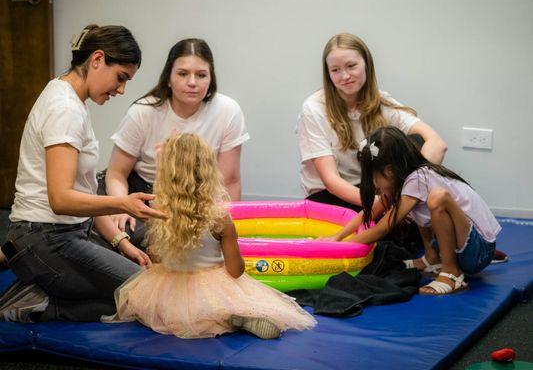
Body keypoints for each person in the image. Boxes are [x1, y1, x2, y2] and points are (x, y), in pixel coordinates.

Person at [0, 25, 167, 323]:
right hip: (46, 239)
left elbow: (85, 193)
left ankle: (33, 275)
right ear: (97, 60)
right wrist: (122, 203)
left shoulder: (69, 98)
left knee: (139, 284)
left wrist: (121, 242)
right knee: (148, 295)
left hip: (58, 235)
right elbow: (61, 200)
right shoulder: (64, 108)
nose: (121, 90)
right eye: (121, 78)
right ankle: (41, 304)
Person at [103, 133, 316, 339]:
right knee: (225, 302)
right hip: (212, 286)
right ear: (208, 171)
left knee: (153, 308)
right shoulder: (219, 218)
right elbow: (235, 271)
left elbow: (157, 257)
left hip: (168, 289)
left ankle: (205, 317)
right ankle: (232, 317)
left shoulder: (158, 211)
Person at [101, 38, 249, 245]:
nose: (192, 82)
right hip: (147, 194)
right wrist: (121, 206)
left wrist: (227, 228)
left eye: (201, 75)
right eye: (182, 74)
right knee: (141, 238)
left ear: (211, 79)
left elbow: (229, 181)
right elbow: (116, 173)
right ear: (168, 79)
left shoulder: (228, 111)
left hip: (200, 198)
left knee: (203, 246)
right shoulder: (143, 112)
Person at [323, 126, 499, 295]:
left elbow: (381, 228)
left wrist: (343, 248)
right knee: (419, 204)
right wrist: (337, 238)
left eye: (371, 175)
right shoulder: (402, 183)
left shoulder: (419, 179)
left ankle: (452, 273)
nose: (372, 182)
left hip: (478, 252)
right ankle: (432, 258)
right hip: (463, 246)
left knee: (437, 197)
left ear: (389, 171)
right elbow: (368, 214)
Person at [296, 33, 447, 212]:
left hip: (373, 188)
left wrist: (411, 189)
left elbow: (437, 144)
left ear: (367, 64)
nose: (344, 76)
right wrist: (381, 205)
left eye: (351, 66)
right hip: (329, 195)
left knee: (415, 143)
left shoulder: (381, 102)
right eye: (335, 70)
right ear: (327, 74)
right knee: (389, 227)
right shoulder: (313, 109)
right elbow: (331, 181)